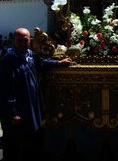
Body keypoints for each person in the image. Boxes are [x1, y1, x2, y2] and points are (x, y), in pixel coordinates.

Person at [0, 28, 74, 161]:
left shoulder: (30, 54)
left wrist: (59, 63)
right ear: (14, 41)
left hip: (31, 107)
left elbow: (42, 63)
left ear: (30, 41)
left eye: (26, 40)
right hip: (17, 111)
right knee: (14, 145)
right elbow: (5, 88)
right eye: (19, 41)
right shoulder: (9, 59)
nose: (23, 43)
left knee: (31, 141)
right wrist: (12, 112)